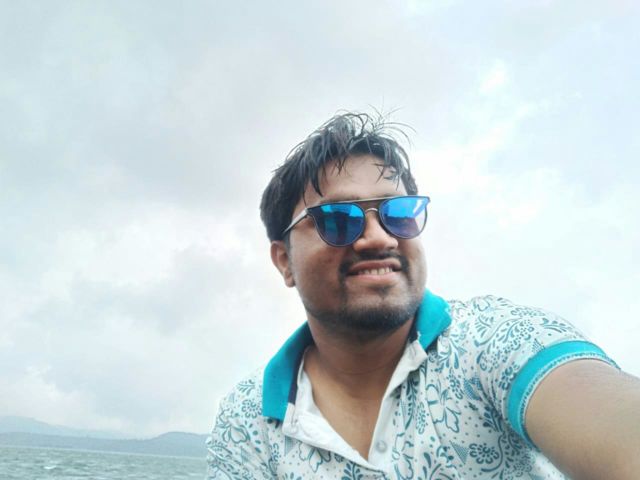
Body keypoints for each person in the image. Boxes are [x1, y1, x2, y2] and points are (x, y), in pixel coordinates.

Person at [207, 112, 640, 479]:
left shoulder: (493, 343)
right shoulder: (247, 419)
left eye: (398, 214)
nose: (379, 238)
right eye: (338, 219)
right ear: (284, 260)